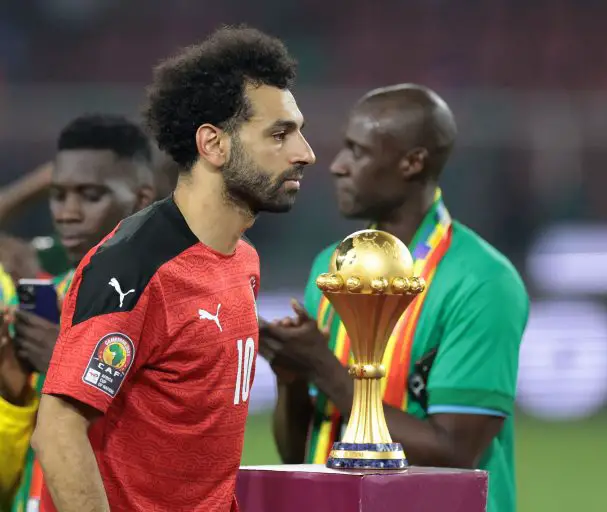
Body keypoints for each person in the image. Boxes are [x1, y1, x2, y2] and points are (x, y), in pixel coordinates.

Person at [32, 25, 314, 512]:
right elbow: (58, 433)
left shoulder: (243, 260)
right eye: (280, 134)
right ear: (213, 144)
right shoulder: (133, 266)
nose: (304, 153)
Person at [260, 84, 528, 512]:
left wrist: (324, 369)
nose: (337, 166)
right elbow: (300, 455)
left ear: (412, 162)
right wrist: (291, 378)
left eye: (357, 151)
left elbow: (455, 456)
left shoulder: (481, 282)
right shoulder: (331, 266)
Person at [0, 113, 157, 512]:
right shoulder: (44, 300)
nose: (66, 213)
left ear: (141, 200)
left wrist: (66, 366)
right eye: (57, 195)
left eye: (90, 196)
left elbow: (181, 441)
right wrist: (14, 395)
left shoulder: (169, 300)